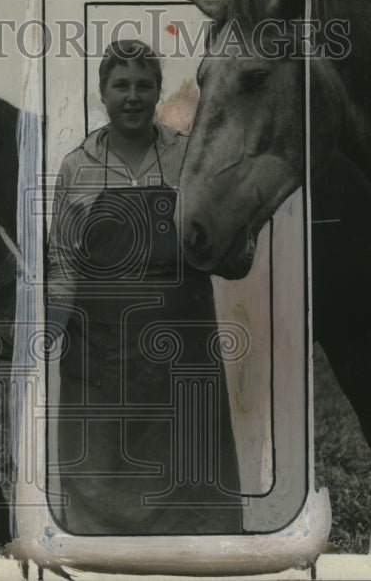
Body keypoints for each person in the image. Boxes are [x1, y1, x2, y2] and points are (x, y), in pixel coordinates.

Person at [46, 39, 242, 535]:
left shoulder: (187, 159)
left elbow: (225, 248)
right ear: (102, 93)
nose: (132, 96)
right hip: (101, 351)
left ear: (157, 93)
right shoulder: (77, 166)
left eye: (143, 85)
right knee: (101, 473)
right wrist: (45, 330)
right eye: (121, 85)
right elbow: (65, 261)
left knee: (193, 476)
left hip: (183, 347)